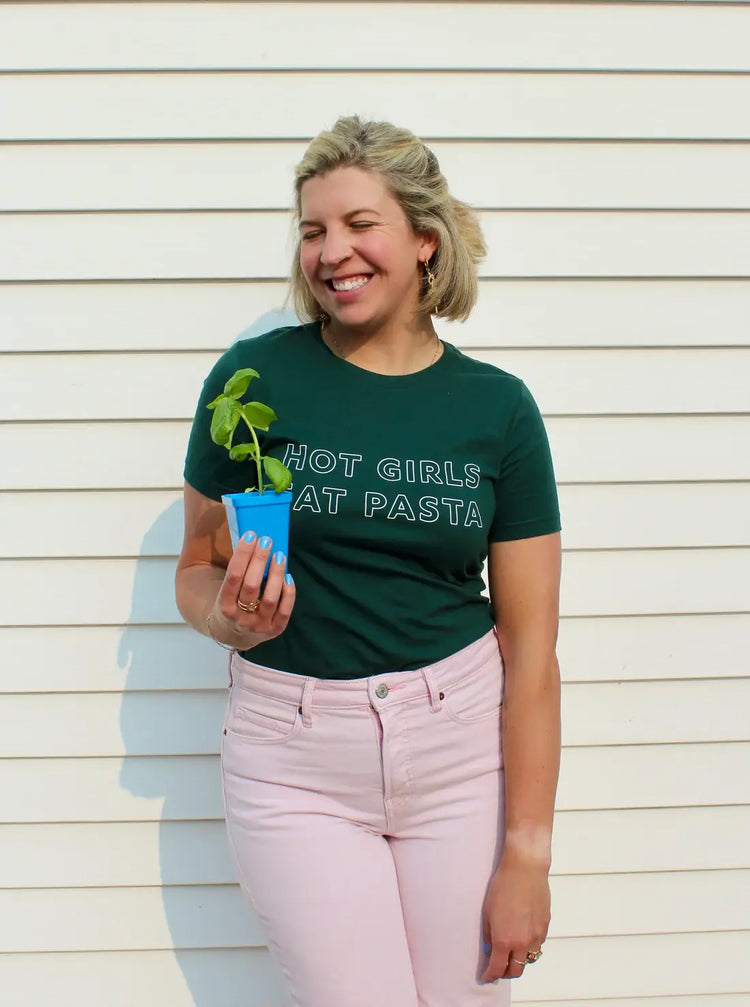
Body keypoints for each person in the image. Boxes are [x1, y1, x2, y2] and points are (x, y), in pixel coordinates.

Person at [176, 115, 562, 1007]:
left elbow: (532, 655)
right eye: (313, 230)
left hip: (460, 749)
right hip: (294, 754)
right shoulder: (255, 382)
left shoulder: (498, 409)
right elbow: (195, 567)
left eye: (359, 224)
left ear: (425, 241)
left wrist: (528, 857)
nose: (331, 251)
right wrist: (226, 618)